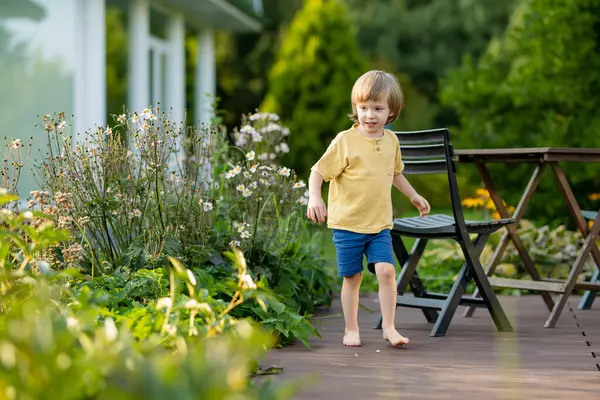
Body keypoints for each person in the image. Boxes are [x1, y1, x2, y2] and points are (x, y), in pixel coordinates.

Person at [306, 70, 431, 347]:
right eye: (363, 108)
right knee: (353, 276)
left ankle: (389, 327)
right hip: (347, 223)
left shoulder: (391, 141)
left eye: (377, 108)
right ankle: (351, 329)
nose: (370, 115)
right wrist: (315, 196)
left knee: (386, 271)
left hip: (379, 224)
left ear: (391, 111)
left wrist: (412, 194)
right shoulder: (345, 141)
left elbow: (395, 173)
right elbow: (318, 171)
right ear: (355, 108)